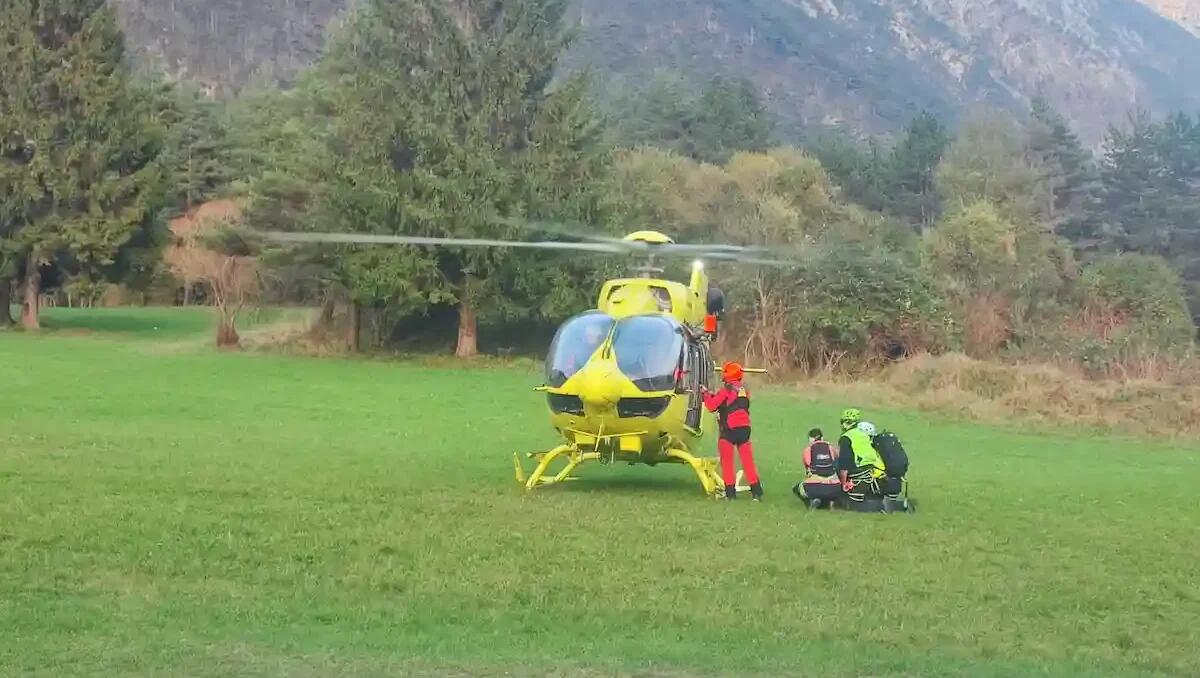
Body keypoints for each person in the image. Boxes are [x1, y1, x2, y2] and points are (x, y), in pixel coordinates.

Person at [702, 362, 762, 500]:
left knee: (727, 462)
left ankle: (730, 493)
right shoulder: (744, 391)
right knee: (748, 461)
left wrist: (705, 394)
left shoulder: (726, 390)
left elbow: (711, 406)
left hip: (729, 430)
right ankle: (756, 492)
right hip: (745, 429)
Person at [836, 409, 888, 505]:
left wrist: (843, 484)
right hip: (871, 475)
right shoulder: (864, 435)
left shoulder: (846, 438)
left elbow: (844, 463)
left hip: (857, 476)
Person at [792, 428, 842, 508]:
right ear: (822, 438)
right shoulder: (831, 448)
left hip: (814, 487)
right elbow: (837, 465)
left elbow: (808, 470)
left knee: (797, 488)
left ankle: (811, 502)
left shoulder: (808, 450)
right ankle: (829, 502)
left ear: (810, 439)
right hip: (834, 487)